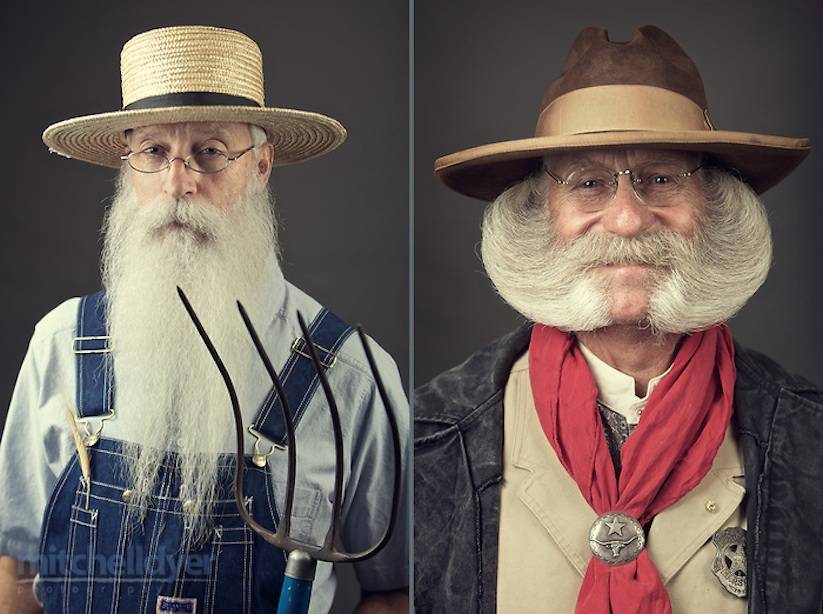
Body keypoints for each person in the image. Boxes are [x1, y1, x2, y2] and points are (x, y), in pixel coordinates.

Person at [414, 25, 822, 613]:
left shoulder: (811, 440)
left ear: (713, 207)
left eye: (662, 179)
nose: (628, 219)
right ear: (541, 214)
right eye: (588, 183)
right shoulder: (427, 439)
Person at [0, 25, 408, 613]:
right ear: (128, 167)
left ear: (261, 165)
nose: (178, 184)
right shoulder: (62, 344)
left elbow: (395, 591)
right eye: (153, 152)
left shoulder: (350, 378)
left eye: (210, 152)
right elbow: (13, 567)